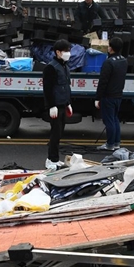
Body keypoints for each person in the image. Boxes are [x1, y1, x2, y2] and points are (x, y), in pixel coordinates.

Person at [42, 39, 73, 169]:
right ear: (58, 52)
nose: (68, 53)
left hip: (63, 104)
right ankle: (50, 160)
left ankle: (54, 158)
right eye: (66, 51)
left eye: (68, 51)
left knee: (59, 133)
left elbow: (66, 87)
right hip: (55, 106)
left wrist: (68, 103)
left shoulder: (65, 66)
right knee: (55, 133)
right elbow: (48, 88)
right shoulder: (51, 67)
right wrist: (51, 105)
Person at [95, 37, 127, 151]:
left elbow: (103, 81)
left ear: (111, 48)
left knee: (109, 120)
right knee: (115, 119)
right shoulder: (123, 60)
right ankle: (116, 143)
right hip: (118, 95)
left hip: (108, 96)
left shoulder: (108, 63)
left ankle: (109, 144)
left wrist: (98, 97)